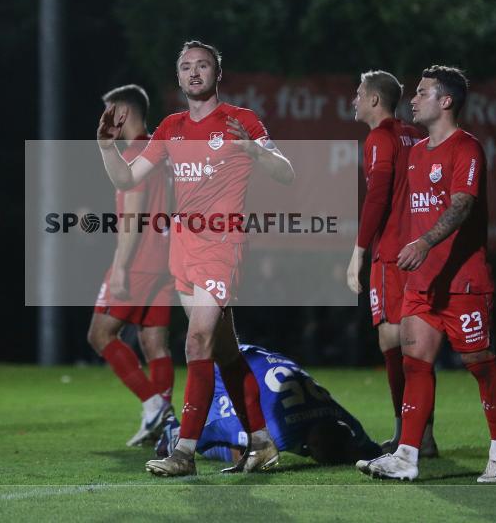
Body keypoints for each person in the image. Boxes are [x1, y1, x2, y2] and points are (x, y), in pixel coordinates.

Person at [96, 40, 295, 476]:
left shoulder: (241, 121)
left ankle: (183, 452)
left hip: (223, 245)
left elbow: (287, 173)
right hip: (183, 247)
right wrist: (107, 148)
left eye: (202, 66)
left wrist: (255, 151)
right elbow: (128, 178)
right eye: (186, 67)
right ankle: (261, 444)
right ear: (178, 76)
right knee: (224, 353)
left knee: (196, 341)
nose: (194, 73)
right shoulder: (171, 127)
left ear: (217, 74)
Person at [357, 66, 496, 483]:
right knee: (415, 364)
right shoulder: (416, 153)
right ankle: (407, 454)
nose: (414, 99)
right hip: (422, 283)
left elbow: (462, 205)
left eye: (423, 93)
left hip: (463, 281)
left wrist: (424, 243)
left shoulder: (467, 149)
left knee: (480, 365)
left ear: (446, 101)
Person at [345, 70, 438, 455]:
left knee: (392, 341)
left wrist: (358, 252)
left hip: (392, 254)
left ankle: (405, 433)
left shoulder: (379, 138)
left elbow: (377, 197)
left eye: (358, 93)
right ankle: (424, 435)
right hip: (421, 253)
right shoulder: (415, 135)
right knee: (418, 344)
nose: (353, 100)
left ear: (374, 100)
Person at [87, 84, 176, 447]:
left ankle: (155, 406)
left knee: (100, 335)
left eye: (109, 111)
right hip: (169, 260)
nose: (104, 119)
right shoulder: (164, 151)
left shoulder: (136, 153)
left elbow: (133, 217)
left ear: (123, 111)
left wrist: (120, 267)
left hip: (139, 260)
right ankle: (166, 428)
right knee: (154, 342)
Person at [155, 344, 382, 465]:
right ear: (312, 448)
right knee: (244, 451)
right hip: (222, 371)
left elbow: (365, 443)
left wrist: (371, 450)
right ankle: (171, 429)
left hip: (258, 358)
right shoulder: (280, 433)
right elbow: (215, 430)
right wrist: (186, 439)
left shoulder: (334, 410)